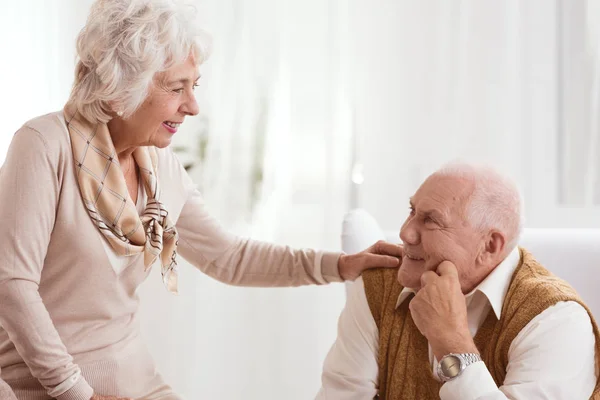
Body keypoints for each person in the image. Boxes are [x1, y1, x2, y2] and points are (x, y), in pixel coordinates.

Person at [0, 0, 403, 399]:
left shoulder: (161, 168)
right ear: (121, 85)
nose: (192, 106)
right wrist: (78, 395)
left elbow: (228, 257)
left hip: (139, 384)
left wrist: (339, 265)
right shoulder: (43, 145)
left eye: (194, 86)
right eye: (177, 88)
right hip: (45, 388)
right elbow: (12, 284)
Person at [317, 163, 600, 399]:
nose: (405, 233)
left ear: (489, 246)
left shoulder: (558, 320)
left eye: (430, 220)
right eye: (412, 211)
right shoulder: (379, 284)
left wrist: (451, 342)